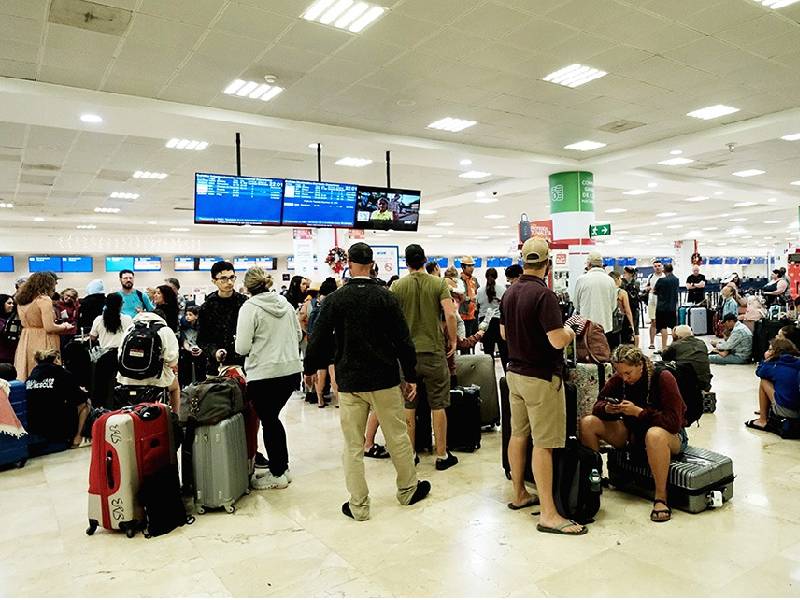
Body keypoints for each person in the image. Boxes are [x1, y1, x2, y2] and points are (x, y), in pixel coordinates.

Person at [304, 242, 430, 520]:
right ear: (372, 264)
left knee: (352, 445)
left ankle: (359, 505)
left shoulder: (336, 299)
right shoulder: (385, 297)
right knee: (397, 436)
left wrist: (310, 369)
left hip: (350, 382)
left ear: (349, 263)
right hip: (384, 380)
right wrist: (410, 375)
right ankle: (408, 489)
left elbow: (319, 337)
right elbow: (403, 341)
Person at [500, 237, 585, 534]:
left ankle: (519, 493)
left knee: (518, 435)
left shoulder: (509, 293)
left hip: (515, 373)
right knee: (545, 444)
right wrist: (571, 328)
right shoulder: (544, 295)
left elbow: (504, 332)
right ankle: (548, 514)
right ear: (547, 264)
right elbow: (556, 340)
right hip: (540, 378)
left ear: (524, 261)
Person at [581, 345, 688, 523]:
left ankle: (661, 497)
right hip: (633, 433)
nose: (625, 378)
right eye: (620, 373)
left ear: (640, 365)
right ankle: (595, 478)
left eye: (628, 373)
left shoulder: (663, 377)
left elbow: (673, 422)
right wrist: (608, 409)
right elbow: (597, 406)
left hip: (670, 435)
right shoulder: (620, 378)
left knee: (654, 435)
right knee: (588, 423)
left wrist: (639, 412)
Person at [392, 244, 458, 470]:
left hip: (407, 356)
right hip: (433, 352)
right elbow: (450, 313)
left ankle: (411, 455)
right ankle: (441, 455)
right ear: (424, 260)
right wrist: (453, 339)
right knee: (438, 404)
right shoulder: (438, 283)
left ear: (407, 262)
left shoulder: (397, 286)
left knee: (409, 404)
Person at [236, 268, 302, 491]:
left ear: (247, 287)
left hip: (264, 374)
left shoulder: (249, 308)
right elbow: (299, 335)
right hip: (291, 371)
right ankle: (282, 468)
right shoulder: (285, 303)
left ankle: (277, 473)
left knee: (269, 421)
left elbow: (242, 346)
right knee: (273, 418)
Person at [117, 310, 181, 412]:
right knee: (175, 387)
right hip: (154, 380)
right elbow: (172, 360)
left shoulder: (130, 329)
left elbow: (120, 353)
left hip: (127, 379)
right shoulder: (165, 330)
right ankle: (175, 417)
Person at [25, 349, 90, 449]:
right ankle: (77, 438)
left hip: (34, 426)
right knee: (85, 403)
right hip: (55, 426)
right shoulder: (61, 373)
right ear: (56, 360)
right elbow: (79, 398)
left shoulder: (31, 377)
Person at [13, 272, 72, 380]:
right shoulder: (44, 299)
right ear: (48, 284)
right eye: (54, 284)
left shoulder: (21, 300)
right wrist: (65, 326)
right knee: (46, 374)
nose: (55, 287)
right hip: (43, 339)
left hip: (26, 338)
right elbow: (49, 327)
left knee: (27, 371)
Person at [197, 261, 248, 373]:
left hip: (245, 364)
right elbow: (201, 339)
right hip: (216, 366)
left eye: (232, 277)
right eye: (223, 279)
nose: (229, 282)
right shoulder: (207, 307)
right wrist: (214, 351)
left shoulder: (245, 302)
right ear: (214, 281)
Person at [745, 338, 800, 431]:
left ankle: (762, 420)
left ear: (775, 352)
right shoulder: (797, 361)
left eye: (769, 349)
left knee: (764, 381)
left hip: (788, 411)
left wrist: (767, 361)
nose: (767, 351)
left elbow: (759, 372)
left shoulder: (774, 366)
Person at [308, 278, 340, 408]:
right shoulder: (335, 301)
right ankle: (338, 400)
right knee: (333, 372)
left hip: (320, 341)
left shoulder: (315, 303)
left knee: (321, 370)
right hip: (332, 340)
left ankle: (320, 399)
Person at [574, 251, 617, 335]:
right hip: (605, 327)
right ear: (601, 265)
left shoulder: (581, 280)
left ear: (589, 264)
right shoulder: (610, 280)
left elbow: (576, 304)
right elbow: (613, 306)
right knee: (604, 347)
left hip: (586, 327)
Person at [661, 325, 712, 392]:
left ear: (677, 336)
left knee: (662, 366)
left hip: (687, 385)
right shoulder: (701, 343)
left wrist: (673, 341)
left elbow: (665, 357)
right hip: (705, 383)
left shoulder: (675, 345)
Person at [477, 267, 507, 366]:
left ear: (486, 277)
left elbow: (477, 307)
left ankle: (490, 379)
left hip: (485, 323)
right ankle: (506, 378)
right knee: (504, 353)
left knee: (488, 355)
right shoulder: (502, 289)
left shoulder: (479, 291)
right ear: (496, 276)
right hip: (499, 323)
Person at [653, 263, 680, 351]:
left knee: (663, 327)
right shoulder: (676, 280)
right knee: (673, 327)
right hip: (672, 307)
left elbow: (654, 291)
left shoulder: (661, 280)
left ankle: (664, 347)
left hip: (662, 307)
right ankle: (674, 345)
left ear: (664, 270)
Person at [178, 306, 205, 387]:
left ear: (196, 316)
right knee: (186, 371)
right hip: (188, 350)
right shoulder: (184, 325)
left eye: (190, 315)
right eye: (186, 314)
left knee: (200, 371)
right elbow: (184, 340)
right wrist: (189, 349)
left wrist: (201, 348)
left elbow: (204, 341)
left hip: (200, 350)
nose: (187, 317)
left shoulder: (202, 327)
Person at [608, 271, 635, 349]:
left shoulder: (606, 291)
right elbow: (627, 310)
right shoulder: (622, 293)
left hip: (608, 319)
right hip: (621, 321)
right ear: (617, 279)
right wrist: (632, 325)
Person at [644, 260, 665, 350]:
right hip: (652, 302)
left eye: (659, 266)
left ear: (662, 267)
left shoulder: (665, 277)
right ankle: (652, 343)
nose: (657, 267)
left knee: (663, 323)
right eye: (655, 266)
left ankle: (664, 344)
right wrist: (648, 288)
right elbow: (647, 286)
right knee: (653, 323)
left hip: (662, 303)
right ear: (653, 267)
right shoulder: (651, 276)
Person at [459, 257, 480, 338]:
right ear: (463, 267)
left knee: (473, 337)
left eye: (473, 265)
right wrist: (470, 299)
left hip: (473, 313)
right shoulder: (459, 280)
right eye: (469, 266)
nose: (472, 268)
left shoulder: (474, 280)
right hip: (463, 314)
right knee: (464, 338)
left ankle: (473, 350)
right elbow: (459, 296)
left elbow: (478, 292)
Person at [621, 267, 641, 347]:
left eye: (625, 272)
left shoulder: (623, 283)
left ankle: (632, 348)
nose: (624, 274)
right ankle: (636, 349)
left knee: (632, 330)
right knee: (635, 330)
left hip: (627, 308)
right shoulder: (637, 282)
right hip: (635, 308)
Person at [0, 294, 19, 364]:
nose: (12, 305)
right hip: (3, 357)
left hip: (11, 356)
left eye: (13, 303)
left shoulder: (12, 319)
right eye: (9, 303)